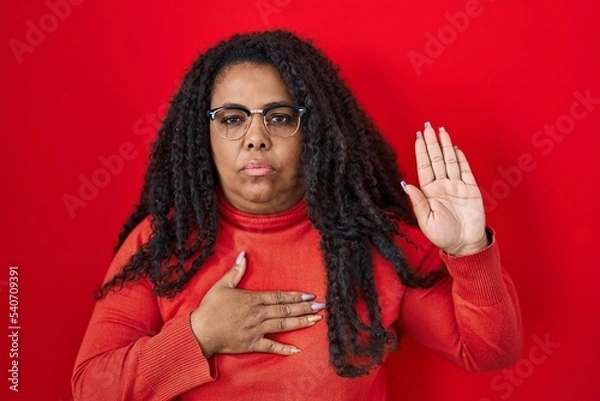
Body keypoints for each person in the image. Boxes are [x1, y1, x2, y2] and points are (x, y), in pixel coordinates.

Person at [71, 29, 522, 401]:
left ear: (316, 131)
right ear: (202, 133)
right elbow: (91, 387)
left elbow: (489, 352)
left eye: (280, 117)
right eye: (231, 119)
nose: (255, 137)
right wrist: (200, 334)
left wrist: (469, 250)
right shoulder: (162, 240)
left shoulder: (374, 242)